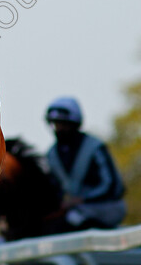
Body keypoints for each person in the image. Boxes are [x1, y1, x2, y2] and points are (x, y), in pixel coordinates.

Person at [45, 96, 126, 232]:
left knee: (72, 220)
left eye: (63, 124)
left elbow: (112, 185)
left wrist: (83, 200)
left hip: (107, 206)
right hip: (76, 209)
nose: (59, 129)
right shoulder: (52, 154)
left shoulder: (94, 147)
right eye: (55, 124)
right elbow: (55, 187)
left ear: (74, 124)